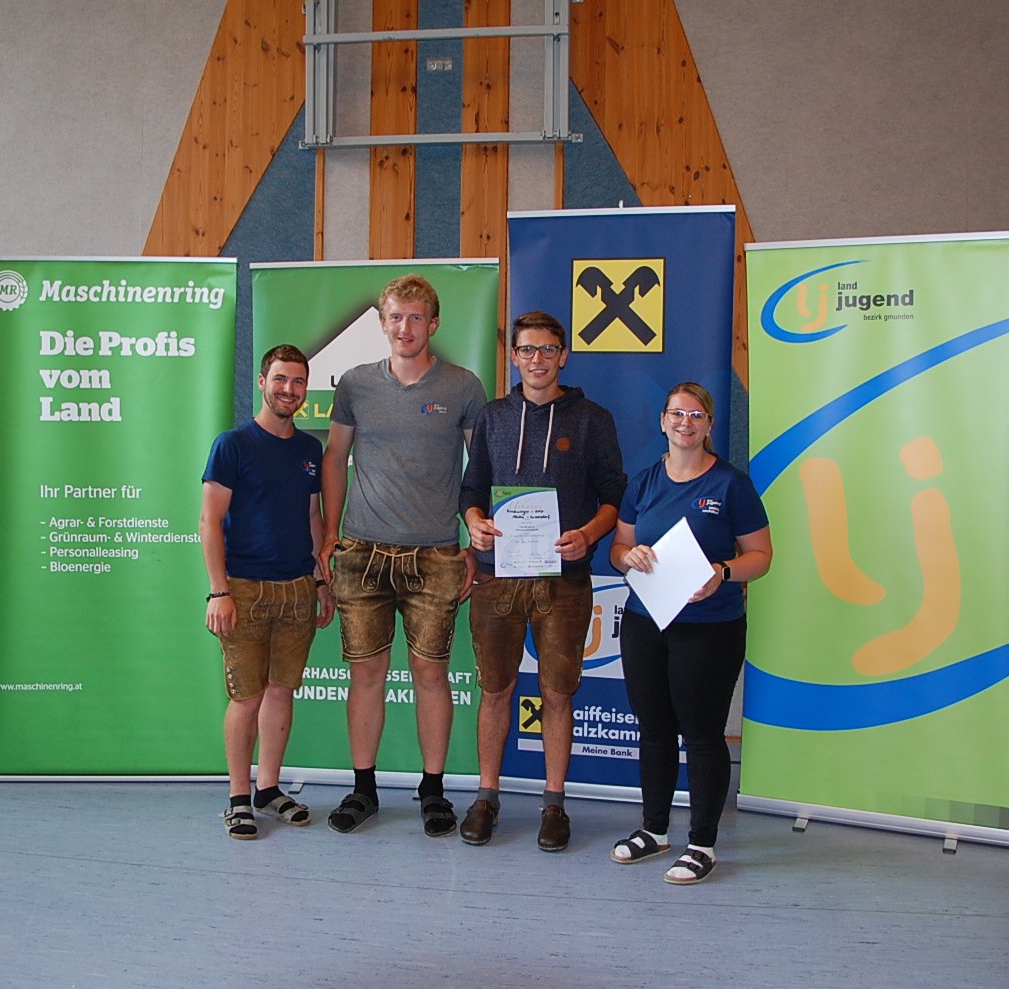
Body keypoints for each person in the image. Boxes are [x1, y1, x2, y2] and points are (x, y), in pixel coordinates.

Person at [317, 274, 486, 836]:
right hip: (362, 553)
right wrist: (330, 534)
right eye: (395, 317)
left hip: (435, 556)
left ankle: (433, 791)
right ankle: (363, 788)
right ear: (383, 323)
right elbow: (334, 458)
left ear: (433, 324)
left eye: (416, 317)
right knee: (366, 675)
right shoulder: (356, 385)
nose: (405, 327)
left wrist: (473, 544)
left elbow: (480, 471)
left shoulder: (463, 386)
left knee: (430, 674)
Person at [457, 310, 626, 852]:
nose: (537, 360)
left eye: (548, 350)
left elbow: (613, 495)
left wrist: (589, 534)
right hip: (497, 578)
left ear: (563, 356)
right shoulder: (493, 416)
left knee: (557, 692)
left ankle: (554, 803)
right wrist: (475, 522)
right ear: (514, 356)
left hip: (565, 578)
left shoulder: (592, 419)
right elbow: (471, 490)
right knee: (495, 690)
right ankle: (486, 797)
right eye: (527, 350)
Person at [608, 382, 772, 883]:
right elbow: (618, 550)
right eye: (677, 414)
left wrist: (722, 572)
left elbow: (761, 557)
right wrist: (629, 557)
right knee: (654, 730)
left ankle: (702, 843)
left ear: (709, 425)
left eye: (696, 415)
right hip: (645, 622)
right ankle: (654, 831)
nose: (685, 423)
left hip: (710, 628)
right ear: (662, 421)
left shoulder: (730, 485)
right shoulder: (643, 482)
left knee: (702, 736)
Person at [200, 344, 335, 840]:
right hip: (244, 591)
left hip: (298, 589)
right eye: (280, 379)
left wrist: (320, 580)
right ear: (262, 382)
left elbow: (313, 515)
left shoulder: (309, 451)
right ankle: (239, 798)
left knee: (281, 690)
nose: (289, 390)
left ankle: (269, 790)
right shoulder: (232, 445)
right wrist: (219, 592)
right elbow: (209, 521)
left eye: (298, 382)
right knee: (246, 697)